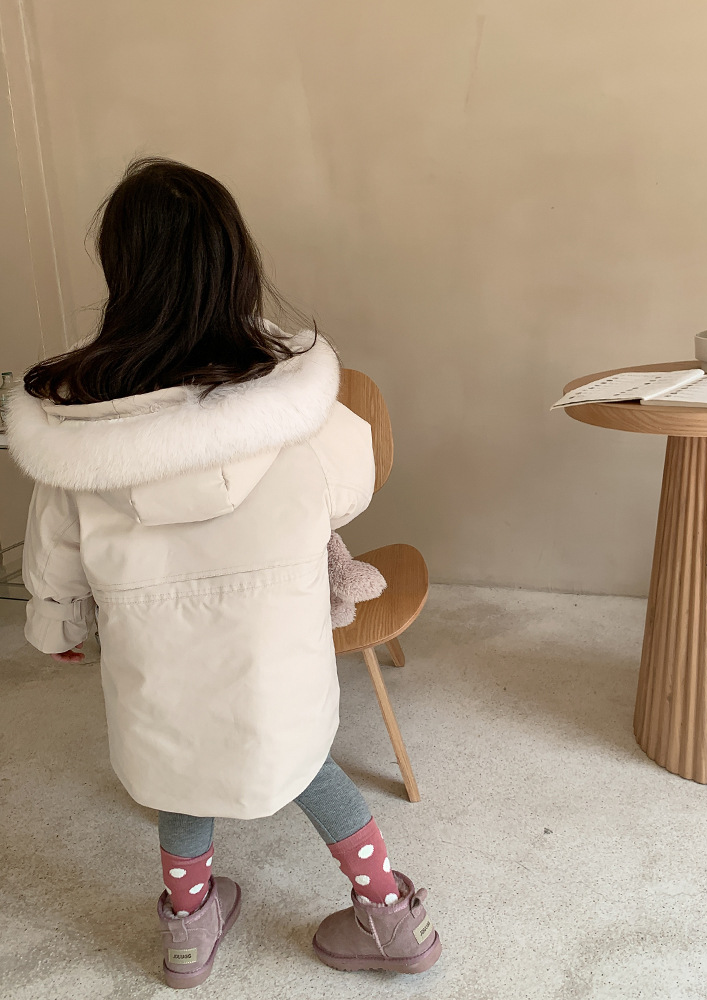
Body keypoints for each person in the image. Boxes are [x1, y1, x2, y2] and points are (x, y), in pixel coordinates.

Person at [6, 158, 441, 989]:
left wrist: (56, 625)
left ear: (120, 269)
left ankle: (188, 932)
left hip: (159, 670)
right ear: (235, 260)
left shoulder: (76, 424)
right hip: (275, 658)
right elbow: (348, 491)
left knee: (179, 773)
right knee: (309, 765)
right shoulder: (297, 401)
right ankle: (390, 914)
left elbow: (52, 552)